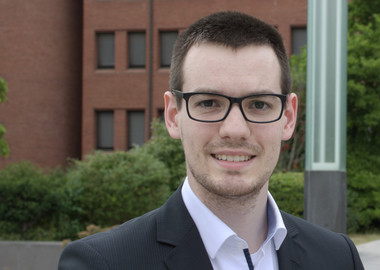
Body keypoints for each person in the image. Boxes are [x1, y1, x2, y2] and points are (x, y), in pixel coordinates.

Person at [58, 11, 364, 270]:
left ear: (288, 117)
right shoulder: (101, 263)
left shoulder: (338, 258)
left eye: (259, 104)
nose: (235, 129)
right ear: (173, 115)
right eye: (208, 103)